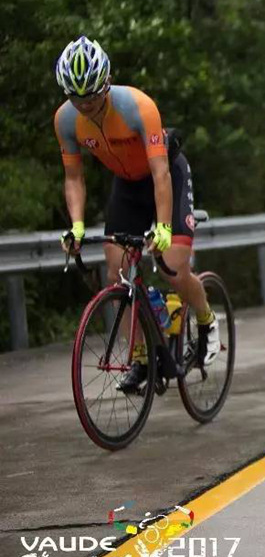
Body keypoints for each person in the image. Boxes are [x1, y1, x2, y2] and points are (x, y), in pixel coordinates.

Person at [53, 36, 219, 392]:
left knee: (173, 268)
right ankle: (143, 358)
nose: (86, 107)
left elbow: (160, 173)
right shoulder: (65, 120)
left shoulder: (137, 107)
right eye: (77, 99)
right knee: (117, 275)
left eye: (93, 98)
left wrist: (161, 227)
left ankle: (206, 320)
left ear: (107, 84)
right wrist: (77, 226)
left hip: (165, 175)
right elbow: (73, 177)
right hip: (126, 187)